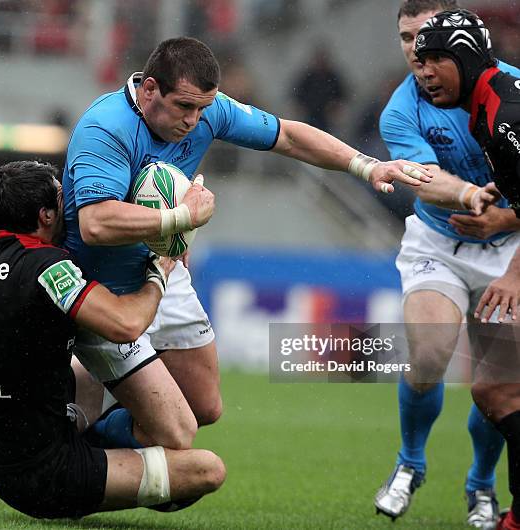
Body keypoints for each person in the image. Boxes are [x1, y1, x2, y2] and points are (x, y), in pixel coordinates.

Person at [63, 36, 432, 453]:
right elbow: (95, 222)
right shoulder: (107, 127)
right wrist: (182, 218)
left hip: (162, 269)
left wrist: (366, 165)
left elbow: (288, 137)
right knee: (174, 430)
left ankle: (88, 425)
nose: (195, 120)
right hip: (103, 286)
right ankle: (77, 442)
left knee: (203, 406)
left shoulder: (207, 111)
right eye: (185, 107)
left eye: (203, 107)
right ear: (150, 89)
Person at [0, 160, 225, 519]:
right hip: (42, 470)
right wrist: (159, 272)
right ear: (45, 216)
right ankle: (89, 458)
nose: (70, 203)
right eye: (61, 197)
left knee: (92, 369)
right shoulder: (48, 268)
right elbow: (126, 324)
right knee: (205, 468)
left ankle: (88, 435)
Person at [373, 2, 520, 527]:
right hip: (439, 246)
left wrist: (504, 220)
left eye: (429, 40)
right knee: (431, 350)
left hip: (509, 251)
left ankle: (481, 484)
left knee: (500, 380)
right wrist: (471, 197)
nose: (417, 52)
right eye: (408, 39)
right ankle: (410, 462)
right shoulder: (401, 110)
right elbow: (423, 178)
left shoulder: (511, 97)